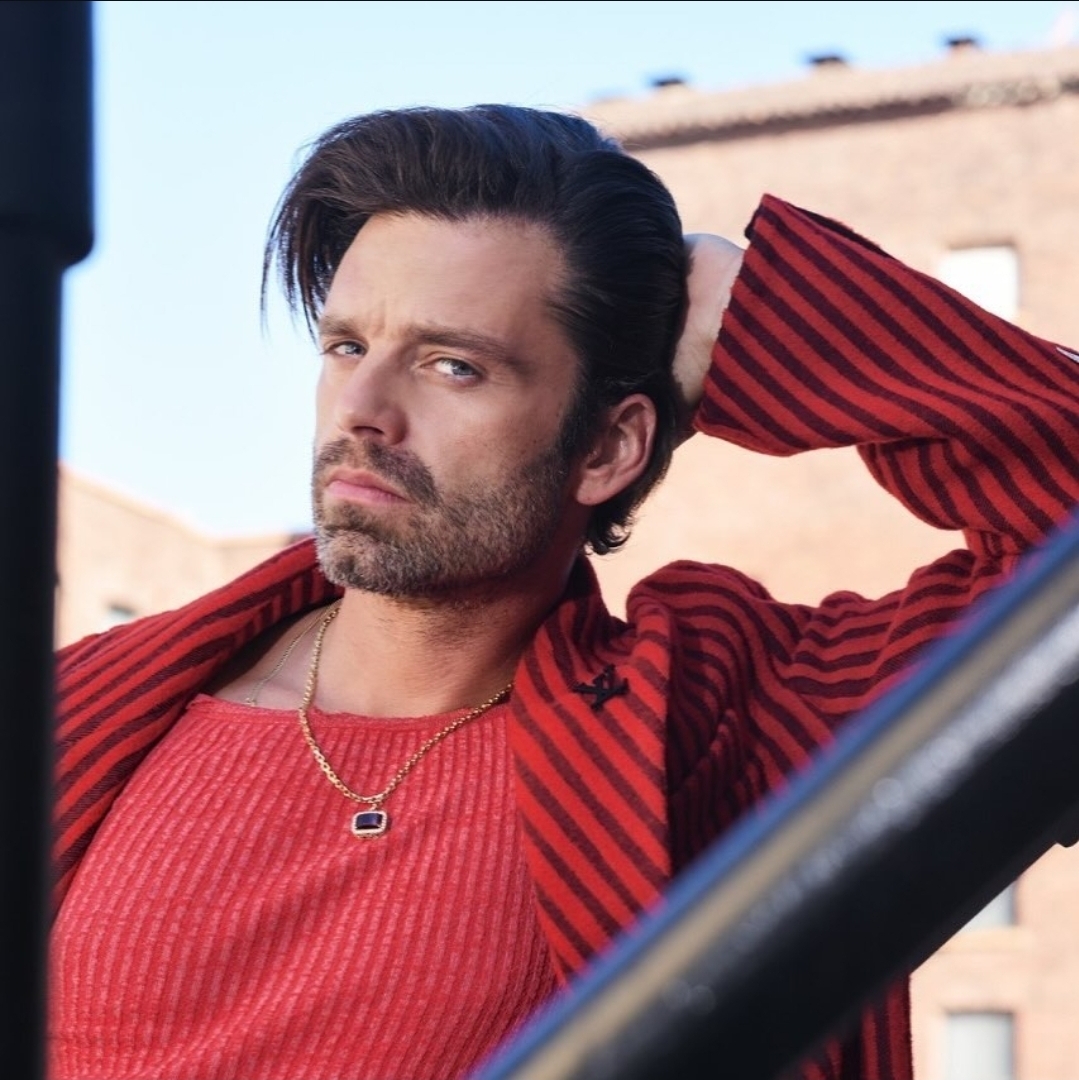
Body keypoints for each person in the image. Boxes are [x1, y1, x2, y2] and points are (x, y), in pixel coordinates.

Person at [50, 105, 1079, 1080]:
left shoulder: (719, 729)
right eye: (347, 346)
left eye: (452, 366)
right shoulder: (83, 709)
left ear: (606, 447)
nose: (361, 409)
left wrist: (755, 312)